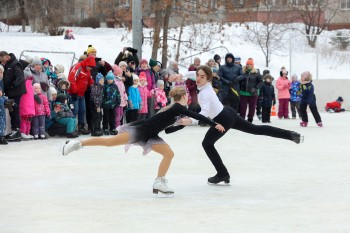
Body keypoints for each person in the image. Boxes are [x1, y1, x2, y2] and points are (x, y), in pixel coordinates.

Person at [61, 86, 225, 196]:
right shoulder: (176, 107)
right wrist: (214, 123)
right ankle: (76, 144)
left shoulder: (177, 111)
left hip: (151, 134)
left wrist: (181, 125)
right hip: (140, 130)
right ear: (183, 97)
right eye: (187, 96)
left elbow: (168, 130)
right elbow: (199, 116)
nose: (188, 99)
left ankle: (159, 182)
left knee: (169, 154)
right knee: (109, 142)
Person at [180, 66, 303, 185]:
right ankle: (291, 135)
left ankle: (222, 174)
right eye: (197, 76)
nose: (198, 78)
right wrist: (181, 75)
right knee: (255, 129)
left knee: (207, 144)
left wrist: (191, 120)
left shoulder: (204, 93)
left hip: (223, 119)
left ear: (208, 79)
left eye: (202, 77)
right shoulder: (205, 84)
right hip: (228, 112)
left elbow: (205, 112)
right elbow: (194, 74)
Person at [0, 51, 26, 142]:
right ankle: (13, 130)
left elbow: (20, 77)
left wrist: (12, 85)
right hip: (10, 91)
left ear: (6, 57)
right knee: (12, 110)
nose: (2, 62)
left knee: (14, 110)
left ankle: (16, 130)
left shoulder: (15, 64)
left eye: (2, 60)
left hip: (16, 91)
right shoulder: (8, 64)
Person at [238, 58, 263, 123]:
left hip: (253, 93)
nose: (249, 65)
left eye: (250, 64)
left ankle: (250, 120)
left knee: (252, 108)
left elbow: (261, 81)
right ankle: (241, 120)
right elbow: (239, 81)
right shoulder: (242, 72)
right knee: (243, 108)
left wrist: (256, 88)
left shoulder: (256, 73)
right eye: (247, 64)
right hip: (243, 93)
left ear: (253, 65)